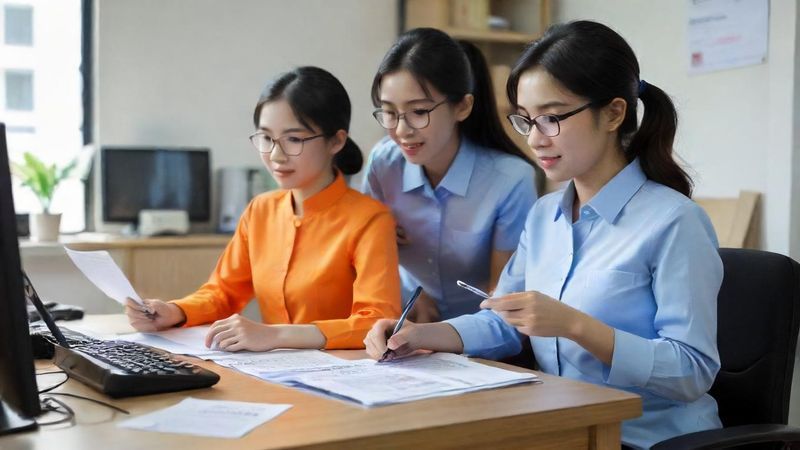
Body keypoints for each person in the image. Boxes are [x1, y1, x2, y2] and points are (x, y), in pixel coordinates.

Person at [364, 21, 723, 449]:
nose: (535, 139)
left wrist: (575, 326)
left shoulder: (675, 222)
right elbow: (503, 321)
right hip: (565, 430)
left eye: (551, 118)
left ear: (613, 113)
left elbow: (692, 371)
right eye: (526, 120)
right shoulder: (544, 216)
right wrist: (419, 336)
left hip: (645, 439)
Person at [125, 66, 401, 351]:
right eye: (267, 138)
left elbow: (377, 321)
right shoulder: (260, 210)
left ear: (336, 141)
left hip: (346, 369)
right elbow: (223, 293)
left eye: (294, 139)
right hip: (272, 368)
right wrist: (174, 311)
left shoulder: (370, 219)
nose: (276, 155)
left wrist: (276, 335)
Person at [363, 28, 537, 323]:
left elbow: (502, 299)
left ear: (463, 106)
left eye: (419, 112)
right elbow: (367, 259)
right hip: (401, 320)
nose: (402, 131)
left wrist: (444, 336)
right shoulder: (384, 163)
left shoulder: (510, 180)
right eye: (389, 112)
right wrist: (410, 294)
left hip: (481, 335)